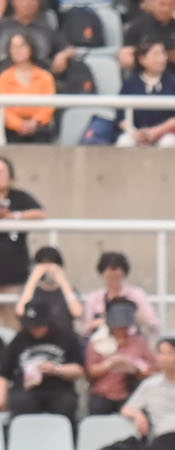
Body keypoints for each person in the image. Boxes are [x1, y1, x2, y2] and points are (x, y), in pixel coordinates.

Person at [0, 298, 84, 417]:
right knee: (21, 403)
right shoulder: (19, 339)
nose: (34, 329)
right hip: (26, 390)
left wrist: (55, 369)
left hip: (58, 389)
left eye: (39, 325)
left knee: (66, 404)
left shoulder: (66, 337)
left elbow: (79, 370)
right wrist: (2, 398)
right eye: (31, 326)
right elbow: (4, 372)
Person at [86, 299, 154, 415]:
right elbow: (90, 372)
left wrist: (134, 369)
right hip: (103, 394)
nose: (121, 330)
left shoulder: (139, 342)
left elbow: (153, 370)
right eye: (118, 327)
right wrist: (110, 363)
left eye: (124, 327)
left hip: (131, 394)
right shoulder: (98, 341)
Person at [118, 40, 175, 146]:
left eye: (163, 53)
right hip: (136, 132)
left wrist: (155, 132)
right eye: (156, 54)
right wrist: (135, 133)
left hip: (166, 133)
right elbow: (121, 117)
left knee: (169, 143)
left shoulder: (174, 84)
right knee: (124, 142)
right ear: (142, 59)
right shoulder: (130, 84)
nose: (162, 58)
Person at [0, 154, 42, 325]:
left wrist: (14, 216)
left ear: (11, 176)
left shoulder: (19, 197)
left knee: (13, 325)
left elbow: (40, 213)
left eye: (2, 171)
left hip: (14, 275)